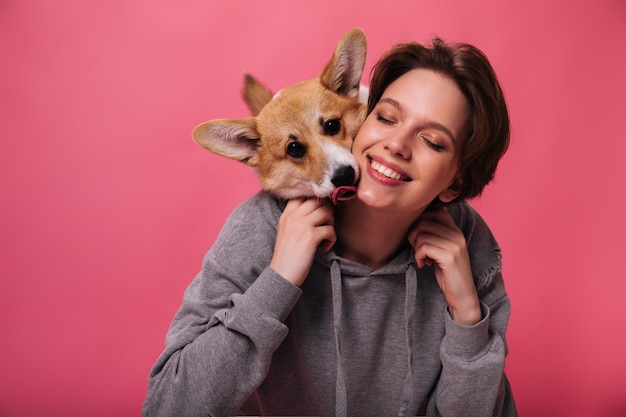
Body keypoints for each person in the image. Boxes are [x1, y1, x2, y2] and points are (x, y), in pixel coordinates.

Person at [142, 37, 517, 417]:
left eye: (433, 141)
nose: (396, 144)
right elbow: (166, 407)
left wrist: (468, 315)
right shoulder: (263, 228)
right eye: (386, 118)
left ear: (456, 183)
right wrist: (277, 283)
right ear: (368, 114)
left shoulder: (466, 245)